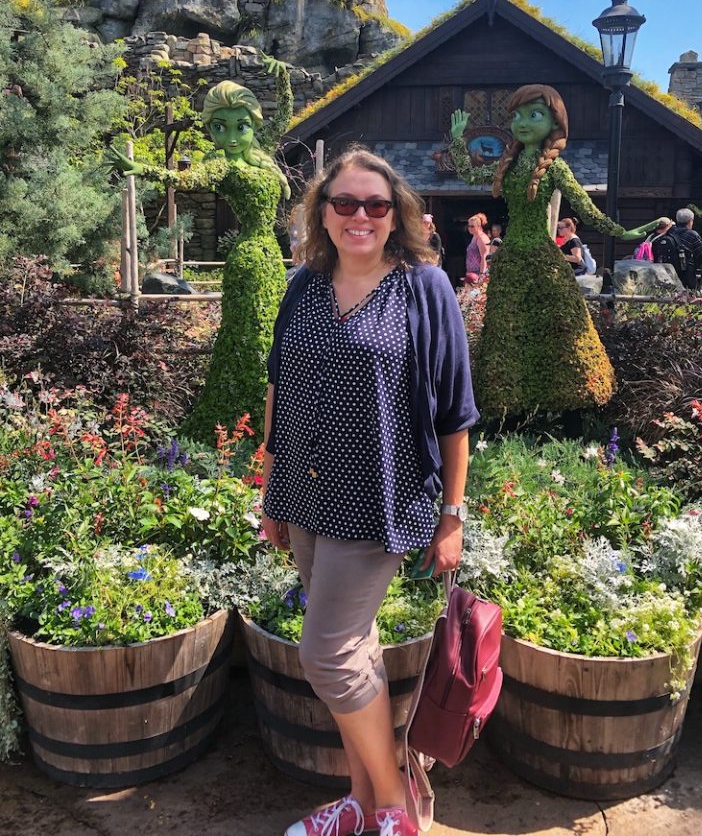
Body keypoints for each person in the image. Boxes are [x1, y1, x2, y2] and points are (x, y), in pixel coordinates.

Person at [261, 145, 478, 836]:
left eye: (375, 205)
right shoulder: (302, 286)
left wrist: (451, 516)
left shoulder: (424, 288)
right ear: (322, 214)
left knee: (326, 651)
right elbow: (277, 386)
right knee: (356, 650)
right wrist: (272, 488)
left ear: (396, 217)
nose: (360, 216)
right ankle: (358, 807)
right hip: (304, 492)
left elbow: (455, 415)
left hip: (378, 500)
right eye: (345, 203)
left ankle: (395, 806)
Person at [449, 85, 662, 418]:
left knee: (560, 329)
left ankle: (574, 409)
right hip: (511, 262)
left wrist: (621, 231)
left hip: (543, 260)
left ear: (554, 122)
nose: (522, 122)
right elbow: (468, 173)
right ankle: (508, 410)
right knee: (507, 332)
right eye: (517, 115)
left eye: (534, 115)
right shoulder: (509, 164)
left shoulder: (555, 168)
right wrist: (458, 140)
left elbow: (585, 208)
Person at [107, 63, 292, 443]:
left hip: (271, 257)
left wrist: (281, 75)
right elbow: (183, 179)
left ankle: (269, 412)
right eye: (218, 127)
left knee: (273, 332)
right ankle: (248, 416)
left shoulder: (261, 154)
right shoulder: (220, 165)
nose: (230, 135)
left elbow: (285, 113)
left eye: (239, 125)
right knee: (249, 335)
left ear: (253, 124)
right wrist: (139, 167)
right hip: (248, 260)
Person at [667, 208, 702, 289]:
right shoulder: (692, 234)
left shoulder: (669, 232)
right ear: (690, 221)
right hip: (686, 275)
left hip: (668, 272)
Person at [465, 212, 490, 281]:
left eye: (472, 226)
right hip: (471, 273)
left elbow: (484, 257)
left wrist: (482, 275)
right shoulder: (474, 237)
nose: (469, 228)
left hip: (478, 273)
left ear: (479, 226)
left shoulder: (481, 238)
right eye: (468, 226)